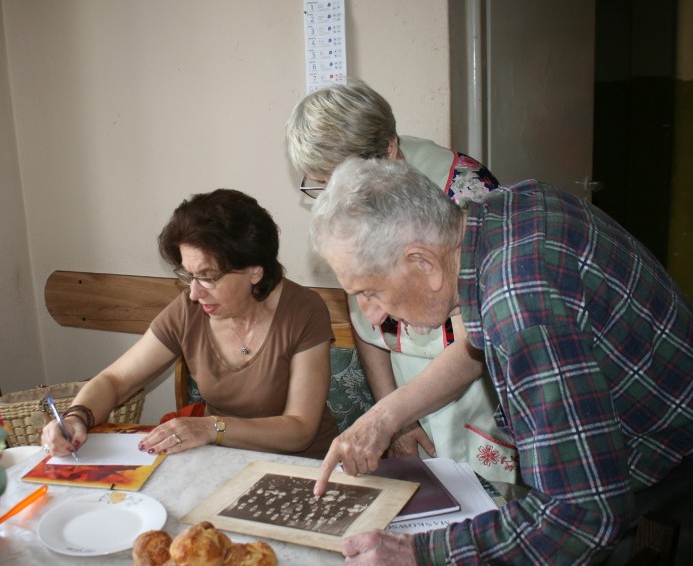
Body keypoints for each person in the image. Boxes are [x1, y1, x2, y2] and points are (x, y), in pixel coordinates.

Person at [309, 157, 693, 565]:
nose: (371, 315)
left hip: (671, 475)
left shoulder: (521, 307)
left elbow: (581, 519)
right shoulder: (506, 210)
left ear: (423, 263)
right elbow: (479, 339)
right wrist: (385, 417)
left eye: (370, 291)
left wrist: (420, 552)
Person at [286, 80, 518, 484]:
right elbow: (366, 321)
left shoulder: (467, 193)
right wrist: (394, 413)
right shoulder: (344, 204)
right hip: (402, 386)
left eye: (334, 180)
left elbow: (477, 338)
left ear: (389, 150)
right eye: (318, 184)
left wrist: (390, 415)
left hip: (471, 388)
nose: (329, 196)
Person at [41, 189, 338, 460]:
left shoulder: (303, 311)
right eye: (189, 275)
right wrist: (76, 417)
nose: (195, 293)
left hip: (303, 468)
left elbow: (300, 429)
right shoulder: (189, 309)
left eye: (209, 276)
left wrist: (212, 428)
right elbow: (116, 380)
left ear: (254, 271)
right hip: (224, 463)